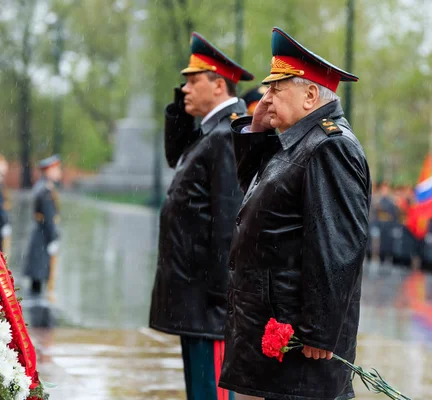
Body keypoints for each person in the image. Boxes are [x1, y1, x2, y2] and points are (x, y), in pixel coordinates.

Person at [219, 27, 371, 400]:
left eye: (276, 89)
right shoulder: (297, 140)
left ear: (309, 95)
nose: (266, 99)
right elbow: (254, 190)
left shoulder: (329, 147)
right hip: (270, 329)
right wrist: (254, 131)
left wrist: (319, 331)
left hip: (297, 344)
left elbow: (336, 248)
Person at [148, 32, 254, 400]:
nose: (185, 89)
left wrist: (219, 294)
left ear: (219, 85)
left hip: (209, 301)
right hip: (196, 298)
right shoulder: (210, 132)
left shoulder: (226, 135)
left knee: (210, 393)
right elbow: (174, 154)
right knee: (199, 392)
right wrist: (183, 104)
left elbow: (229, 223)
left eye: (193, 82)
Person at [24, 155, 62, 296]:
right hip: (43, 236)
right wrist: (53, 239)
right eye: (56, 169)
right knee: (39, 276)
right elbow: (49, 218)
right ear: (49, 171)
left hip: (40, 234)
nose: (59, 172)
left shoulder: (43, 186)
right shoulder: (46, 190)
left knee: (37, 274)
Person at [374, 181, 397, 263]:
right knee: (379, 247)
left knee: (388, 245)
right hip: (380, 225)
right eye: (383, 189)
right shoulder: (377, 201)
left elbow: (394, 216)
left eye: (386, 190)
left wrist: (394, 227)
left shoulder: (391, 203)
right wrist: (375, 226)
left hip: (388, 226)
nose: (385, 191)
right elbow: (375, 215)